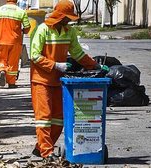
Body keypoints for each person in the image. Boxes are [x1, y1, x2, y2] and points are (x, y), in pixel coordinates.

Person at [30, 0, 109, 161]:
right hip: (41, 80)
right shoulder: (43, 30)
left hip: (59, 81)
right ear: (59, 16)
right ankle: (47, 153)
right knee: (44, 118)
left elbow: (78, 54)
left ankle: (42, 148)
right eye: (66, 17)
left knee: (59, 119)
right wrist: (55, 65)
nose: (69, 20)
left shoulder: (69, 32)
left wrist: (95, 65)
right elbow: (34, 55)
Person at [0, 0, 31, 88]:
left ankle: (2, 70)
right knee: (13, 61)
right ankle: (11, 82)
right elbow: (27, 27)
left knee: (1, 58)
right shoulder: (21, 11)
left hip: (1, 40)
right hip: (15, 41)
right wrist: (23, 31)